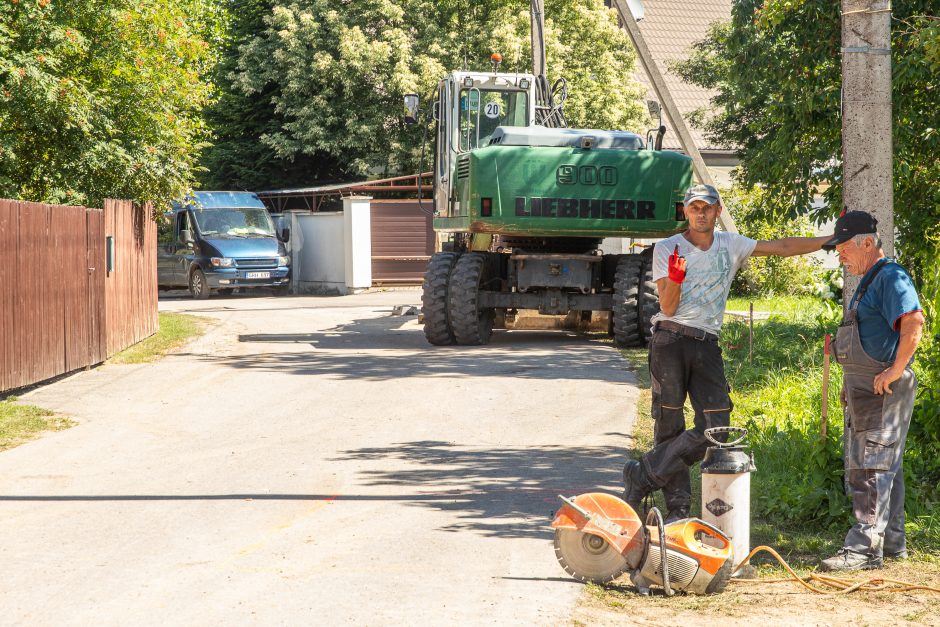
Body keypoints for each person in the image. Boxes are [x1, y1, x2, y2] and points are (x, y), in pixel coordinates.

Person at [622, 183, 831, 523]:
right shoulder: (667, 248)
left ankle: (643, 474)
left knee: (716, 426)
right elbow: (668, 307)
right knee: (669, 425)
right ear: (685, 212)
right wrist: (675, 276)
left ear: (718, 211)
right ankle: (677, 511)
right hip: (670, 341)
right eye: (694, 208)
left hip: (707, 342)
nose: (700, 213)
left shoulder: (731, 244)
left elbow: (781, 247)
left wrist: (829, 240)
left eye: (707, 207)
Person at [817, 211, 924, 572]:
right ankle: (891, 543)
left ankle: (862, 549)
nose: (840, 255)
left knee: (872, 468)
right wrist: (850, 384)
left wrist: (895, 370)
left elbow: (914, 321)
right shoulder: (867, 281)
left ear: (866, 242)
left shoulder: (891, 277)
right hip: (863, 391)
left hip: (884, 391)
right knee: (883, 465)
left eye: (844, 247)